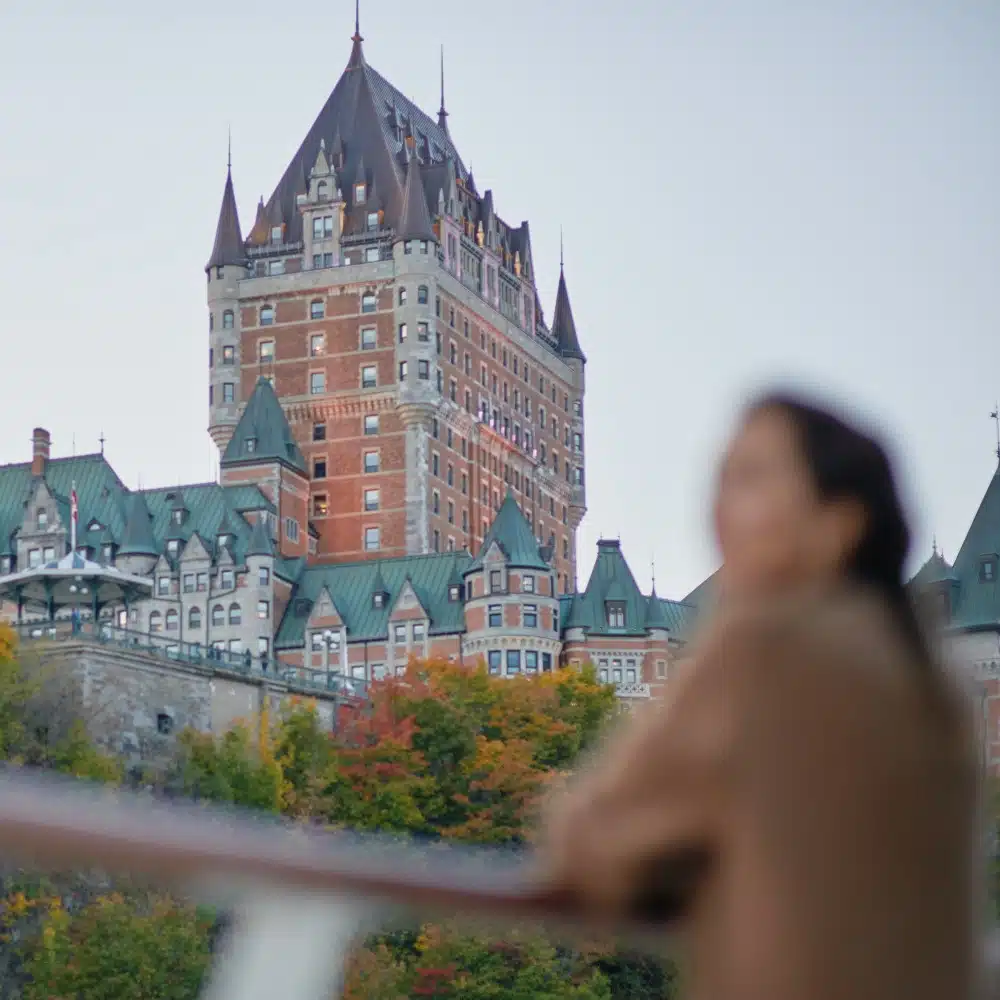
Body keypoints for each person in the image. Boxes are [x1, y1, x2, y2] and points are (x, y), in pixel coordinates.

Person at [539, 392, 983, 1000]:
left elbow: (594, 845)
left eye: (751, 479)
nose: (720, 507)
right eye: (721, 478)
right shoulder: (932, 678)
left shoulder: (769, 643)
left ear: (840, 521)